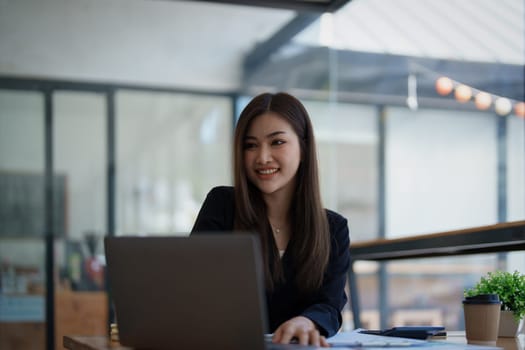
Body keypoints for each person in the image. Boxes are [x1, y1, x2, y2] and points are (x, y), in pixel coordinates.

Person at [191, 92, 350, 347]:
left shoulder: (333, 229)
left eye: (277, 142)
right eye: (250, 145)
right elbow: (192, 288)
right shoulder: (222, 206)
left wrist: (307, 322)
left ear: (304, 148)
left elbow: (329, 306)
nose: (262, 157)